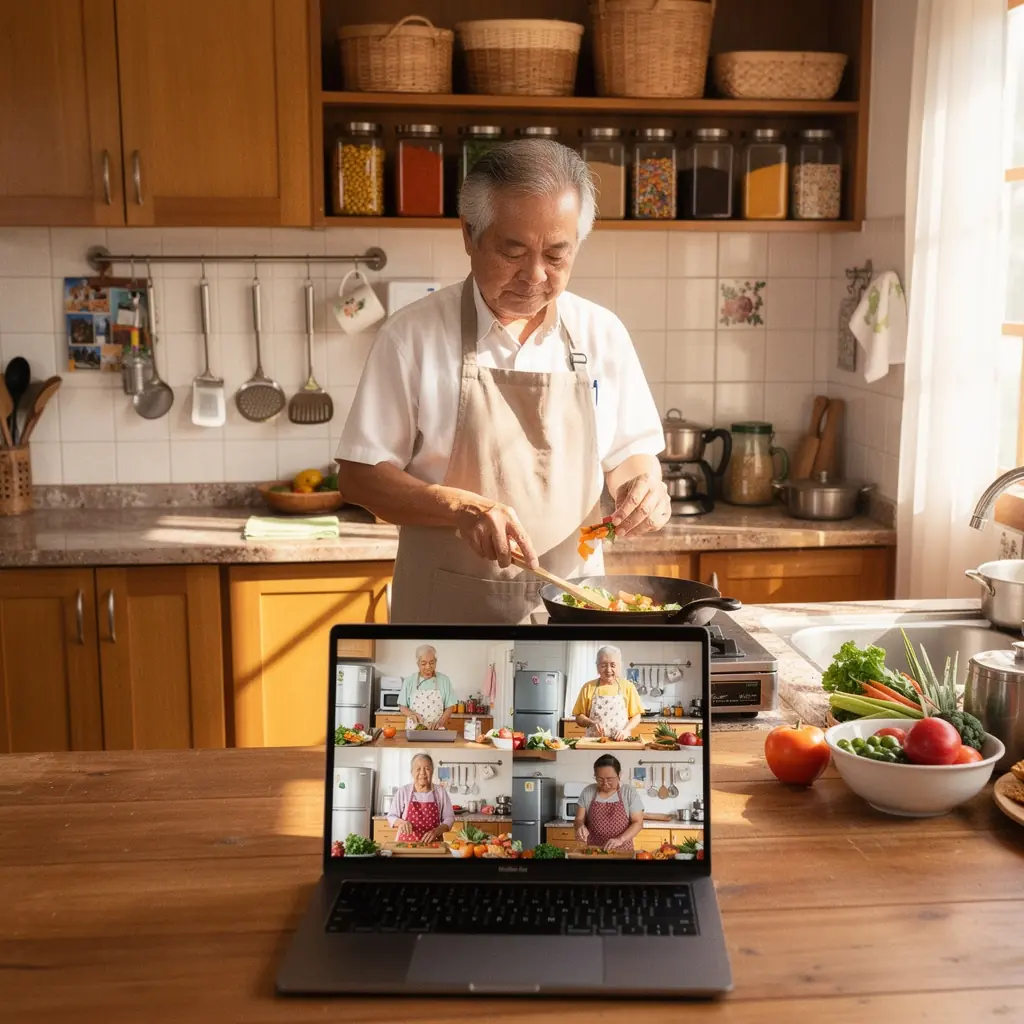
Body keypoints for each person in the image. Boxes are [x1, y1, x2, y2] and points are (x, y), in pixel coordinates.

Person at [335, 137, 671, 624]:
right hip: (446, 619)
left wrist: (643, 489)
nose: (535, 276)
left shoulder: (603, 334)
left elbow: (630, 453)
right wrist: (458, 508)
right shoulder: (413, 335)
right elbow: (360, 476)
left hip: (575, 609)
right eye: (513, 252)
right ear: (470, 235)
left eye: (557, 255)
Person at [574, 754, 645, 853]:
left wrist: (620, 839)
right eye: (600, 779)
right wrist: (580, 827)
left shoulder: (629, 792)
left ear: (619, 775)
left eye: (610, 779)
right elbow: (579, 819)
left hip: (623, 851)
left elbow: (638, 823)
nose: (605, 784)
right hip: (594, 851)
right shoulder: (588, 791)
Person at [572, 645, 644, 739]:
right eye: (603, 665)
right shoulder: (588, 687)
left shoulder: (628, 687)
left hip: (621, 742)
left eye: (613, 665)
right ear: (597, 667)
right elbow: (579, 717)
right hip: (594, 743)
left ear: (619, 666)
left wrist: (626, 730)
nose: (608, 670)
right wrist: (591, 723)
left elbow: (636, 716)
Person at [387, 753, 456, 843]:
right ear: (412, 772)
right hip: (406, 844)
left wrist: (437, 831)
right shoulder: (403, 791)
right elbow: (391, 816)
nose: (422, 773)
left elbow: (449, 818)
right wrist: (402, 823)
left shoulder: (440, 792)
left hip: (434, 844)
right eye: (418, 769)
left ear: (432, 771)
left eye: (427, 769)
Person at [397, 644, 456, 732]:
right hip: (414, 730)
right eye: (424, 663)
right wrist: (411, 714)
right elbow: (402, 706)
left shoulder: (444, 680)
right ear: (418, 664)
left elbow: (450, 706)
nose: (428, 667)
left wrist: (440, 722)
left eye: (431, 663)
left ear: (436, 662)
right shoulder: (409, 681)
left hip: (436, 730)